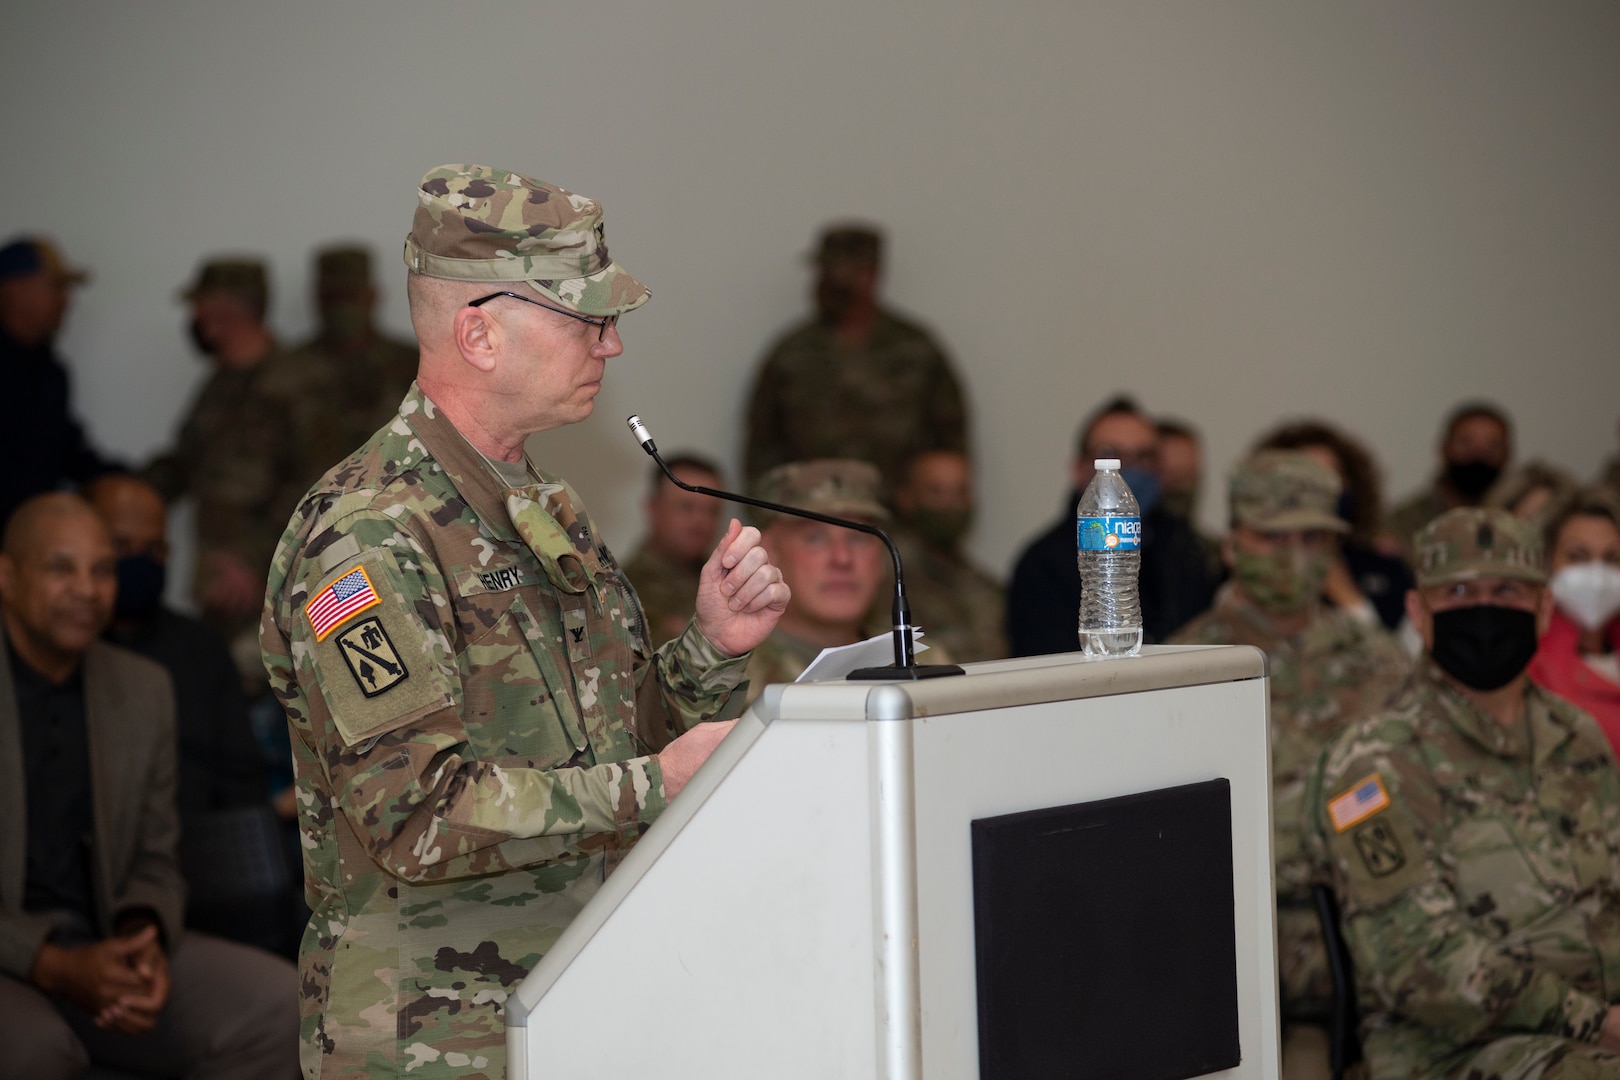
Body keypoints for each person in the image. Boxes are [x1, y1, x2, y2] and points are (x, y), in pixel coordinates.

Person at [260, 163, 789, 1077]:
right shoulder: (369, 537)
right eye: (586, 318)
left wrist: (710, 648)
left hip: (574, 996)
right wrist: (654, 786)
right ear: (480, 333)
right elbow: (417, 814)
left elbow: (615, 741)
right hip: (432, 1036)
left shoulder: (537, 504)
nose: (612, 345)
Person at [1306, 507, 1620, 1080]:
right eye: (1456, 591)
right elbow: (1415, 964)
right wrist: (1595, 1022)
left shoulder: (1577, 736)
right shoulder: (1372, 762)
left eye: (1507, 590)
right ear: (1418, 614)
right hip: (1454, 1053)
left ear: (1545, 609)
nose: (1484, 609)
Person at [0, 493, 296, 1078]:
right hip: (12, 956)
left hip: (108, 941)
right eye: (62, 568)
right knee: (37, 1052)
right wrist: (52, 965)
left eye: (102, 570)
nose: (88, 590)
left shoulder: (142, 688)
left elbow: (157, 854)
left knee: (283, 1008)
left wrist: (143, 935)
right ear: (7, 575)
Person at [1168, 451, 1408, 1077]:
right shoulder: (1182, 668)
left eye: (1313, 538)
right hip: (1246, 964)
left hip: (1389, 952)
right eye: (1273, 537)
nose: (1294, 555)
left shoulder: (1379, 660)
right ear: (1232, 544)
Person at [86, 475, 292, 954]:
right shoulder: (65, 650)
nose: (139, 561)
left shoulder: (198, 648)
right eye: (121, 546)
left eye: (155, 550)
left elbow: (242, 785)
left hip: (203, 875)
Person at [145, 257, 336, 679]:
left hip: (271, 583)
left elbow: (321, 487)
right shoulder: (220, 382)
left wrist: (255, 559)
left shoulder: (301, 381)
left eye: (201, 306)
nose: (194, 319)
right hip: (218, 582)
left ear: (228, 310)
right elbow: (185, 463)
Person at [742, 223, 968, 489]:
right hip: (811, 514)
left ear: (869, 275)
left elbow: (950, 439)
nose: (823, 281)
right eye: (822, 271)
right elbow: (762, 444)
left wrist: (931, 510)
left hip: (897, 517)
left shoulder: (916, 349)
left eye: (836, 271)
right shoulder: (792, 352)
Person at [1006, 395, 1221, 656]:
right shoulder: (1042, 564)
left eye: (1143, 456)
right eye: (1112, 454)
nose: (1127, 469)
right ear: (1079, 468)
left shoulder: (1190, 552)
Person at [742, 459, 893, 702]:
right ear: (770, 552)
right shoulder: (726, 686)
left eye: (859, 539)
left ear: (882, 559)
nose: (842, 558)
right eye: (815, 539)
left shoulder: (920, 664)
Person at [0, 236, 120, 527]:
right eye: (56, 287)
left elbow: (61, 447)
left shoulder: (49, 369)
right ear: (14, 288)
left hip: (27, 538)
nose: (67, 300)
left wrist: (124, 481)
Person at [1257, 420, 1415, 632]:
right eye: (1307, 477)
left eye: (1331, 476)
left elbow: (1404, 658)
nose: (1320, 490)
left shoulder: (1385, 568)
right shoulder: (1252, 567)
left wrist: (1350, 599)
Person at [295, 244, 420, 458]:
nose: (342, 307)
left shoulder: (413, 365)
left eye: (350, 296)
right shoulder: (290, 368)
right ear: (317, 299)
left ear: (372, 296)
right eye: (333, 297)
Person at [890, 448, 1005, 662]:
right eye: (936, 491)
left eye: (961, 491)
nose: (951, 504)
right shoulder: (887, 578)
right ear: (905, 497)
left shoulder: (985, 586)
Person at [1529, 489, 1620, 752]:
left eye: (1612, 558)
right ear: (1546, 562)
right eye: (1577, 556)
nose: (1596, 571)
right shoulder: (1531, 664)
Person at [1382, 401, 1513, 561]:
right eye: (1466, 443)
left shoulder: (1517, 520)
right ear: (1444, 448)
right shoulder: (1403, 523)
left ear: (1507, 455)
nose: (1478, 454)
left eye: (1492, 446)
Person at [621, 453, 726, 647]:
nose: (700, 522)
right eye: (686, 507)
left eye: (712, 511)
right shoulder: (622, 591)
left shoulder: (728, 584)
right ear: (653, 508)